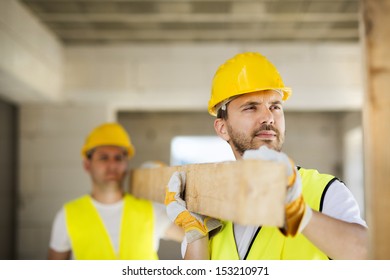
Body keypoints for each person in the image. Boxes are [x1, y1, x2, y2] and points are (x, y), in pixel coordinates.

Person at [165, 52, 368, 260]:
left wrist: (299, 214)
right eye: (251, 107)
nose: (268, 117)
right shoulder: (208, 211)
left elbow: (370, 258)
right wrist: (195, 233)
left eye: (275, 107)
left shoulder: (324, 191)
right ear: (222, 128)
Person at [48, 122, 182, 260]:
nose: (112, 165)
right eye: (103, 157)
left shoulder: (150, 210)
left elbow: (191, 235)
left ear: (126, 164)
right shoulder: (67, 215)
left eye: (119, 158)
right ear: (87, 165)